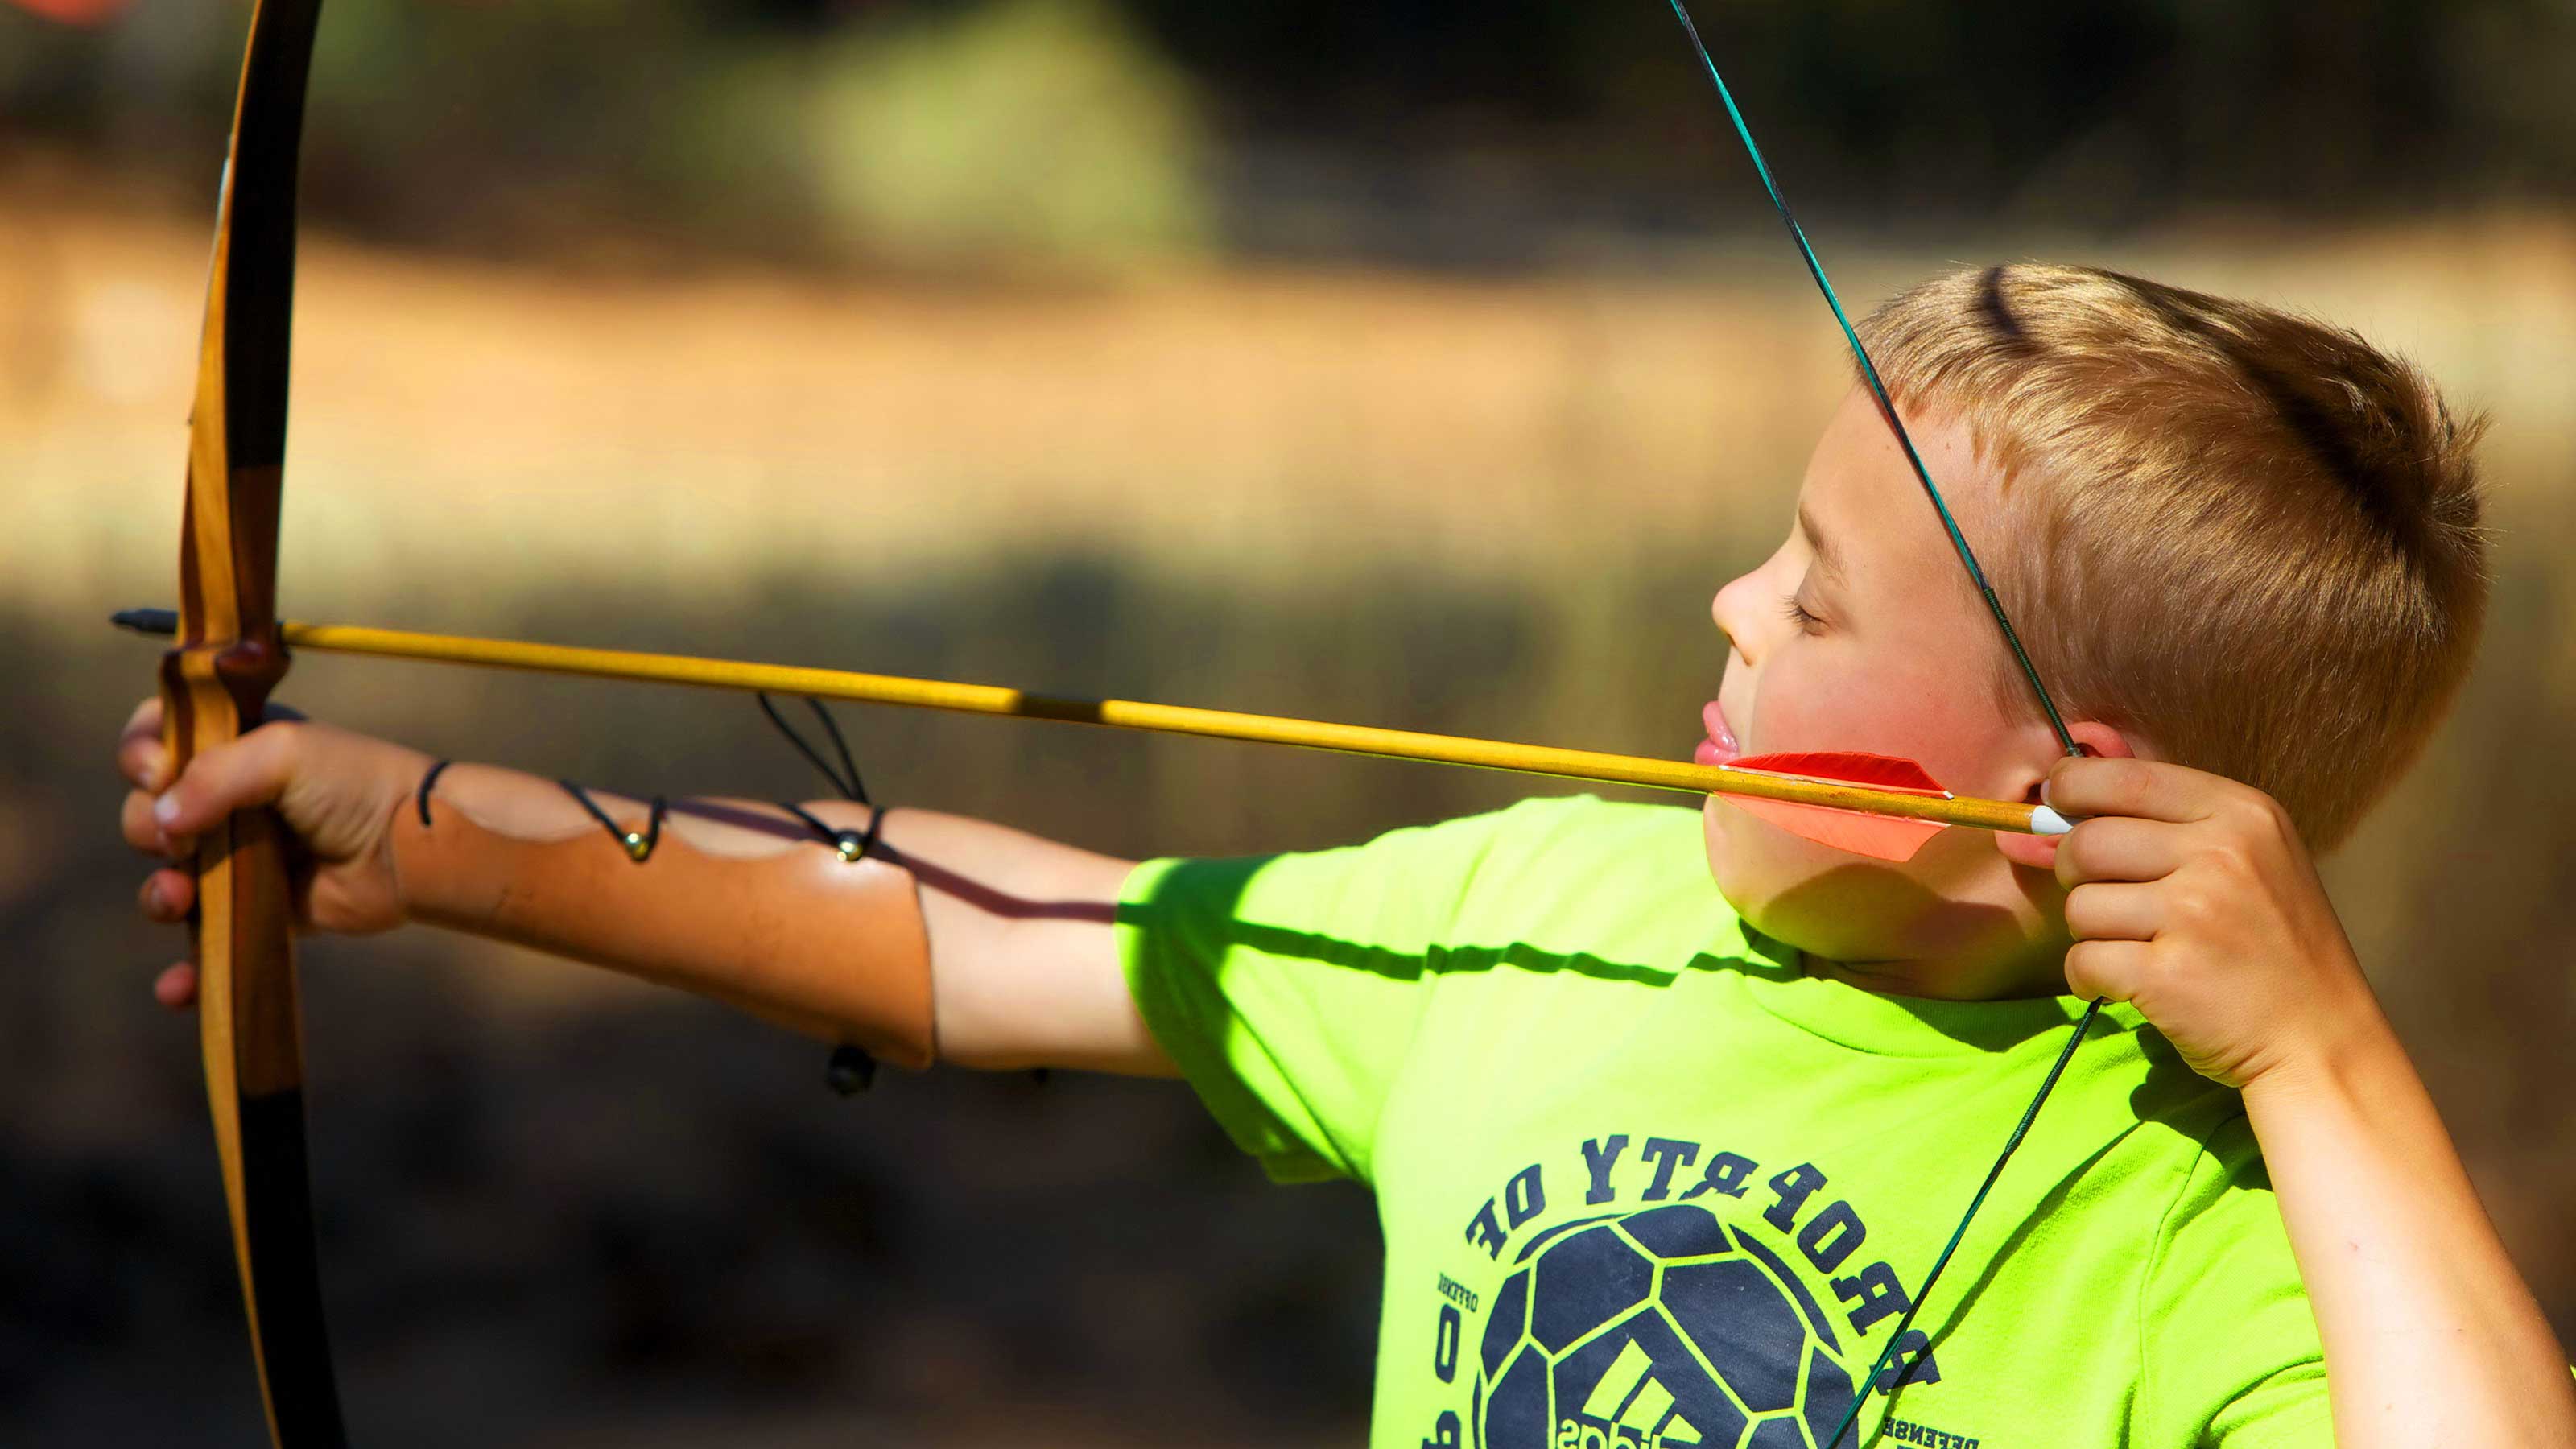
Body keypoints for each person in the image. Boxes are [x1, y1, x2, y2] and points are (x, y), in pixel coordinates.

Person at [118, 263, 2574, 1447]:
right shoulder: (1557, 931)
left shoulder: (2198, 1234)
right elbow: (1012, 939)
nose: (1728, 608)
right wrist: (434, 829)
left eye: (1816, 599)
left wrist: (2326, 1058)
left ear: (2063, 795)